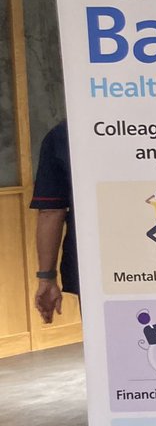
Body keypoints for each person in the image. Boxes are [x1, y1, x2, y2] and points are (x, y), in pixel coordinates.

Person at [30, 120, 78, 323]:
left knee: (106, 346)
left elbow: (51, 212)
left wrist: (46, 276)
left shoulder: (64, 133)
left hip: (95, 265)